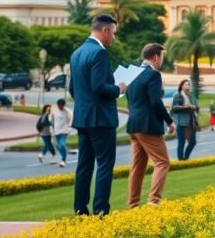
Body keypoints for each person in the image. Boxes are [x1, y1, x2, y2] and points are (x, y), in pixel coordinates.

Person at [68, 14, 126, 216]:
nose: (114, 38)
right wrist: (119, 89)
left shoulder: (77, 53)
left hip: (83, 118)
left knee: (84, 166)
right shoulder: (99, 54)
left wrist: (86, 105)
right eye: (114, 34)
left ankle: (79, 209)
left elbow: (73, 89)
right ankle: (101, 209)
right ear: (105, 31)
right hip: (101, 119)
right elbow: (100, 87)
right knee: (104, 165)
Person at [126, 43, 174, 208]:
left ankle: (133, 205)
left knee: (138, 166)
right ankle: (153, 202)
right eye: (161, 57)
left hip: (133, 125)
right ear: (155, 57)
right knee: (162, 162)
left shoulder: (132, 73)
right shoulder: (153, 74)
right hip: (148, 125)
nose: (161, 61)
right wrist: (169, 120)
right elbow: (155, 101)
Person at [171, 79, 199, 161]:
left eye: (189, 84)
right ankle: (180, 161)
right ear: (182, 86)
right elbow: (174, 107)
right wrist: (187, 107)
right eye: (186, 84)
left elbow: (196, 105)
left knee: (193, 142)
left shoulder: (191, 95)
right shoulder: (178, 95)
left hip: (190, 122)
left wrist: (196, 108)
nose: (188, 86)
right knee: (181, 142)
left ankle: (185, 159)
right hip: (181, 122)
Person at [53, 98, 74, 167]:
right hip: (57, 131)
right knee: (59, 146)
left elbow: (71, 120)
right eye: (59, 105)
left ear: (63, 105)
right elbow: (52, 120)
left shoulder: (67, 112)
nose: (60, 107)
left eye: (61, 105)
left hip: (64, 131)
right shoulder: (54, 111)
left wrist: (69, 128)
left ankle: (63, 160)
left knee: (61, 144)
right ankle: (66, 152)